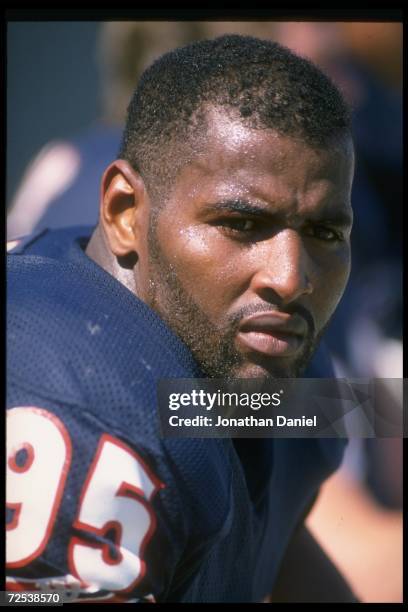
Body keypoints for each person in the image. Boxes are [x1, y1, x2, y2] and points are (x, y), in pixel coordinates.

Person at [6, 35, 358, 603]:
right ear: (125, 213)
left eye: (324, 233)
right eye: (242, 225)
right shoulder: (77, 407)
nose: (291, 279)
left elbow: (268, 524)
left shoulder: (253, 371)